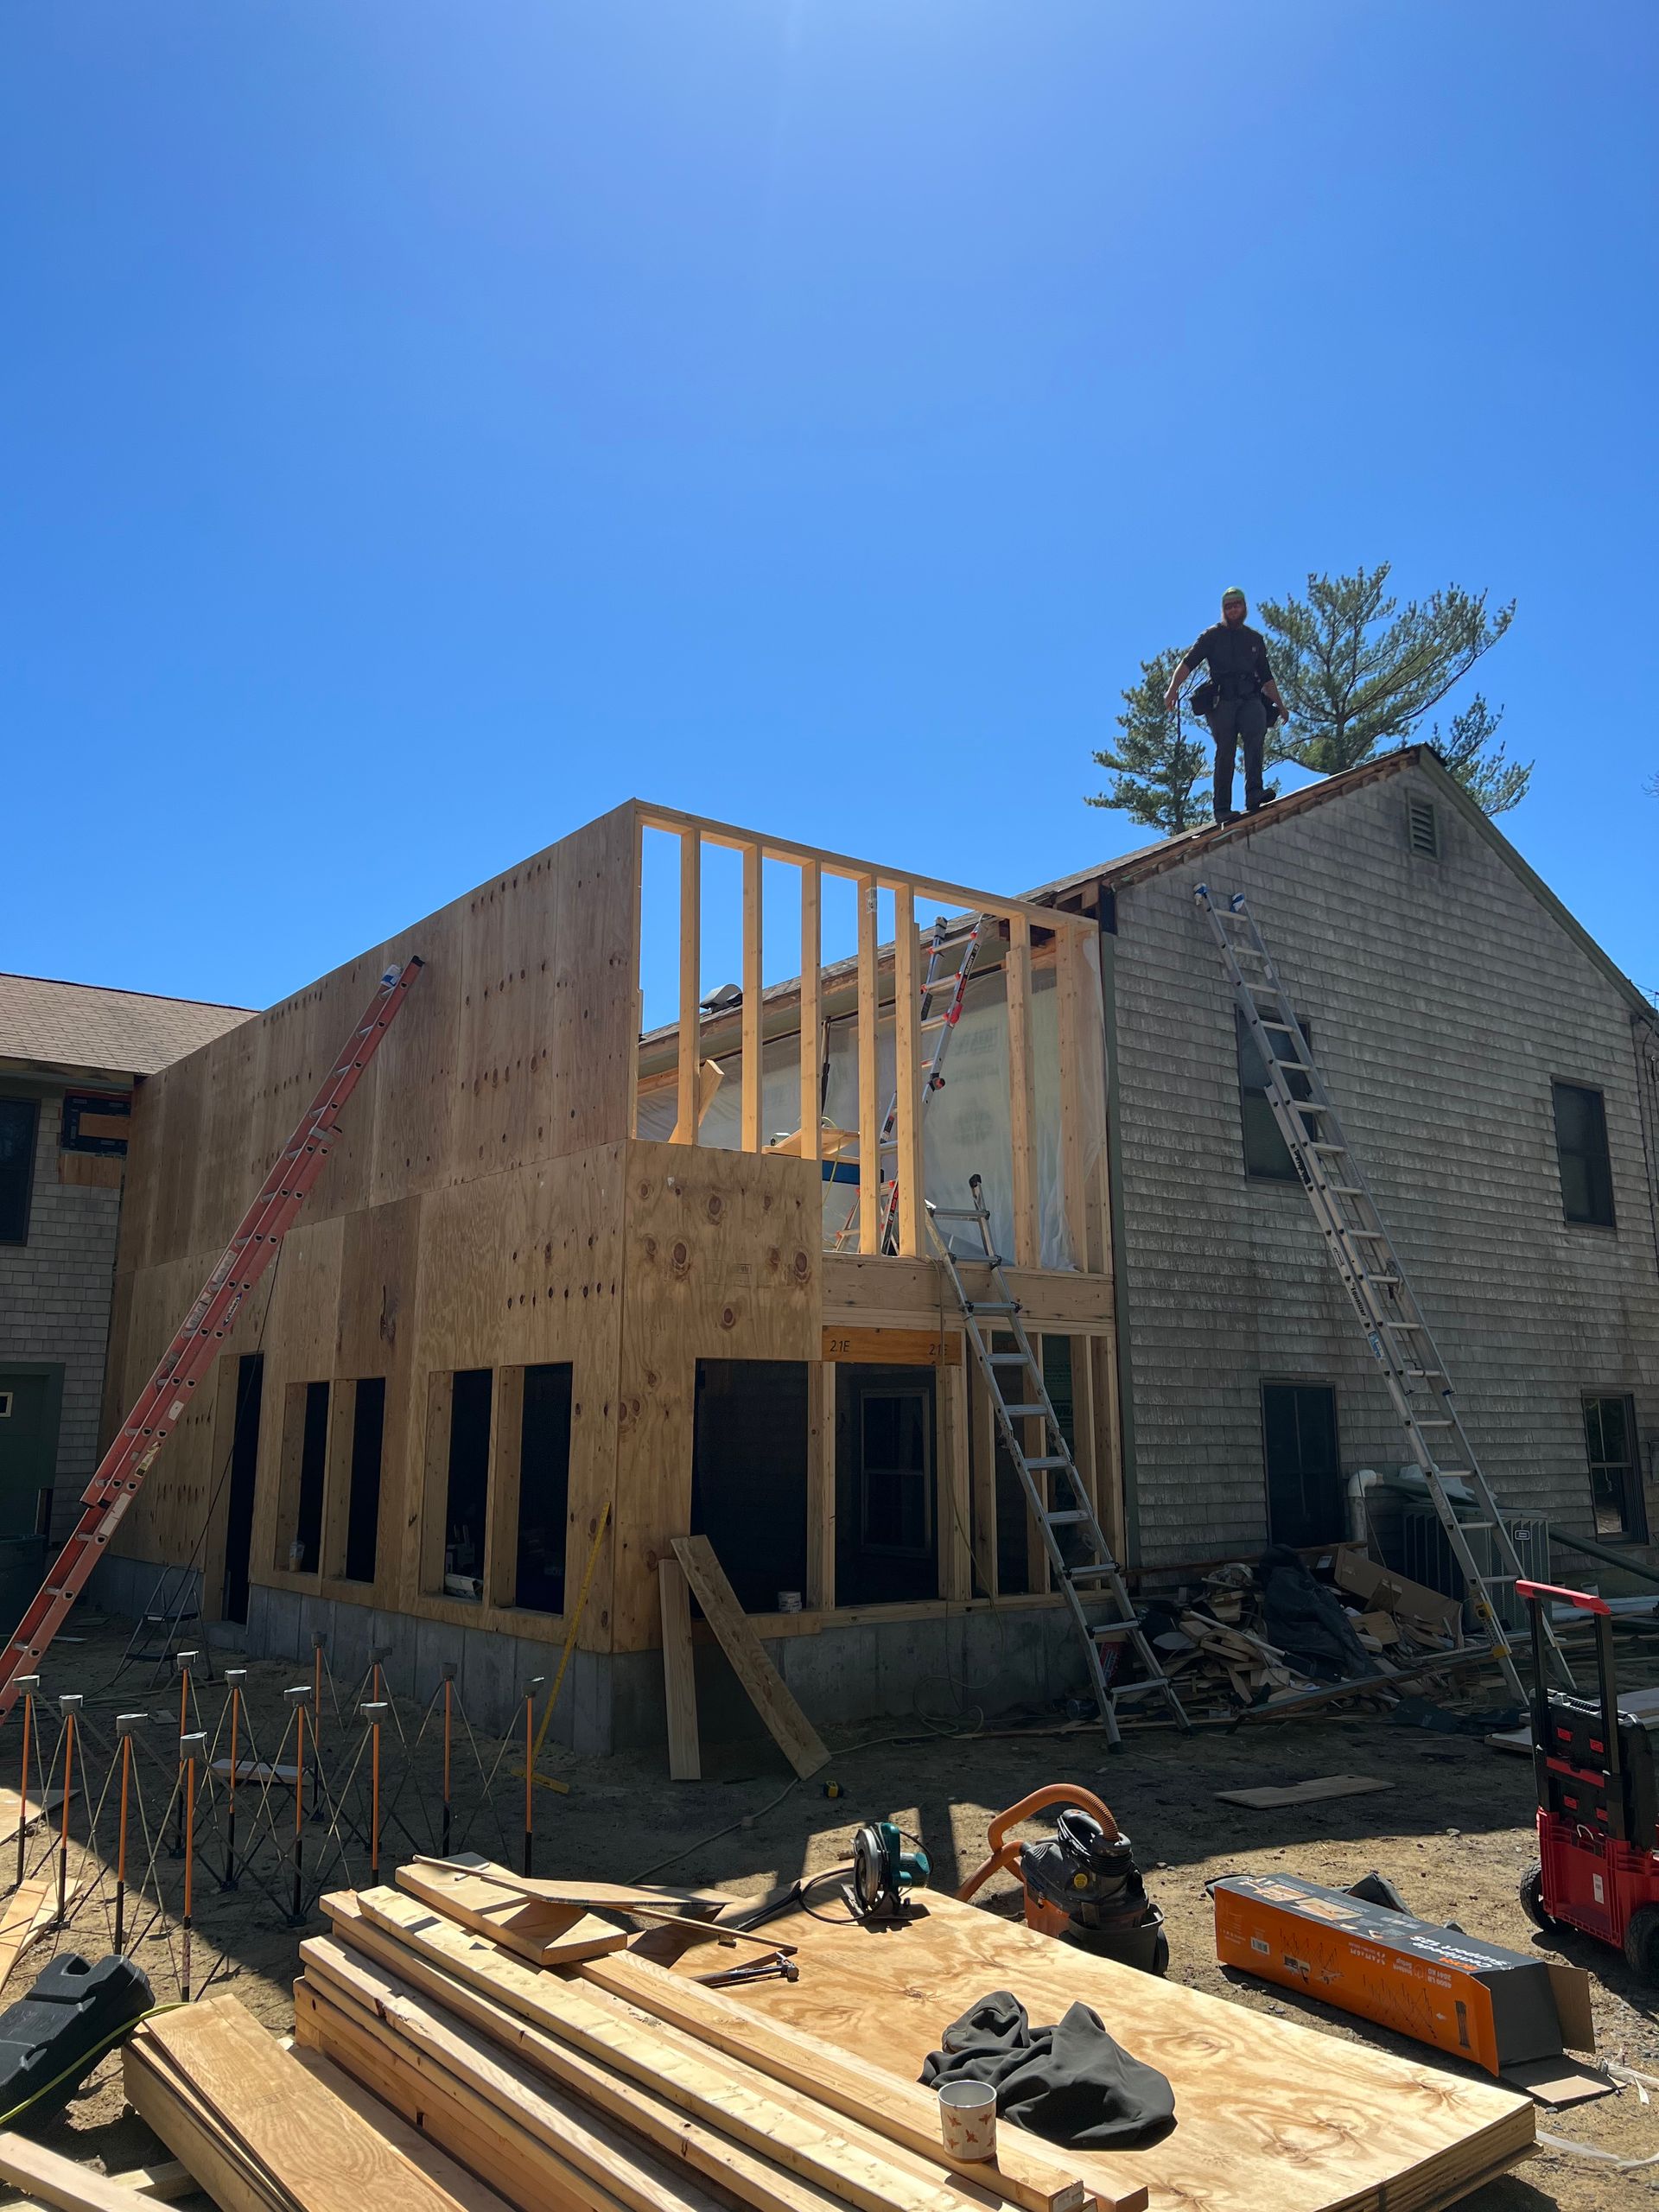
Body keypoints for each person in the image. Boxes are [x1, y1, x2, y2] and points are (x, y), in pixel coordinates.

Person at [1163, 587, 1288, 823]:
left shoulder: (1254, 640)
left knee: (1255, 737)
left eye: (1237, 605)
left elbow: (1266, 676)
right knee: (1226, 751)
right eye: (1228, 607)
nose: (1233, 610)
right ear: (1223, 610)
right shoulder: (1212, 636)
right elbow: (1188, 663)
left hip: (1250, 698)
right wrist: (1172, 688)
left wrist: (1280, 705)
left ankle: (1254, 793)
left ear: (1244, 608)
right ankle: (1222, 807)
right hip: (1223, 701)